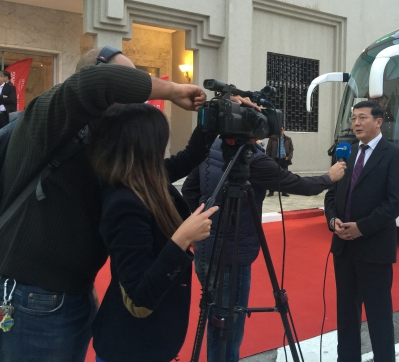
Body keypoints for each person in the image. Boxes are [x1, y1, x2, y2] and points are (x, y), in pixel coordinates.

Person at [0, 46, 207, 362]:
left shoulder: (99, 136)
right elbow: (99, 82)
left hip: (73, 293)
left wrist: (212, 122)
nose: (133, 91)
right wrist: (173, 90)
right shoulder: (48, 118)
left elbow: (149, 173)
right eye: (127, 79)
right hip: (34, 295)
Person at [182, 138, 346, 362]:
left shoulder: (209, 147)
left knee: (216, 319)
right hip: (232, 257)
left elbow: (189, 189)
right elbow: (299, 185)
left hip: (204, 251)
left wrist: (203, 225)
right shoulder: (252, 159)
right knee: (228, 329)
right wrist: (329, 177)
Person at [89, 104, 218, 362]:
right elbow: (140, 295)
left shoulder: (144, 178)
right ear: (146, 146)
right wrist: (182, 238)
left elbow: (189, 157)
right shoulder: (124, 203)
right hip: (130, 346)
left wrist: (214, 113)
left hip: (151, 341)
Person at [324, 101, 399, 362]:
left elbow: (395, 203)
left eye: (362, 118)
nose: (356, 123)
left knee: (378, 315)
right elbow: (331, 194)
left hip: (374, 250)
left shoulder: (394, 155)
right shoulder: (346, 153)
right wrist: (333, 220)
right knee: (346, 314)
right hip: (344, 249)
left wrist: (361, 228)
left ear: (378, 122)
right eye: (353, 118)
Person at [266, 126, 294, 197]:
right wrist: (268, 159)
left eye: (282, 129)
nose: (281, 131)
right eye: (279, 129)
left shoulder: (288, 139)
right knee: (273, 175)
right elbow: (268, 150)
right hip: (275, 159)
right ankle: (271, 191)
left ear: (284, 130)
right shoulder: (272, 139)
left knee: (285, 176)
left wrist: (289, 157)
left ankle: (284, 191)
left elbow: (291, 149)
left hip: (284, 160)